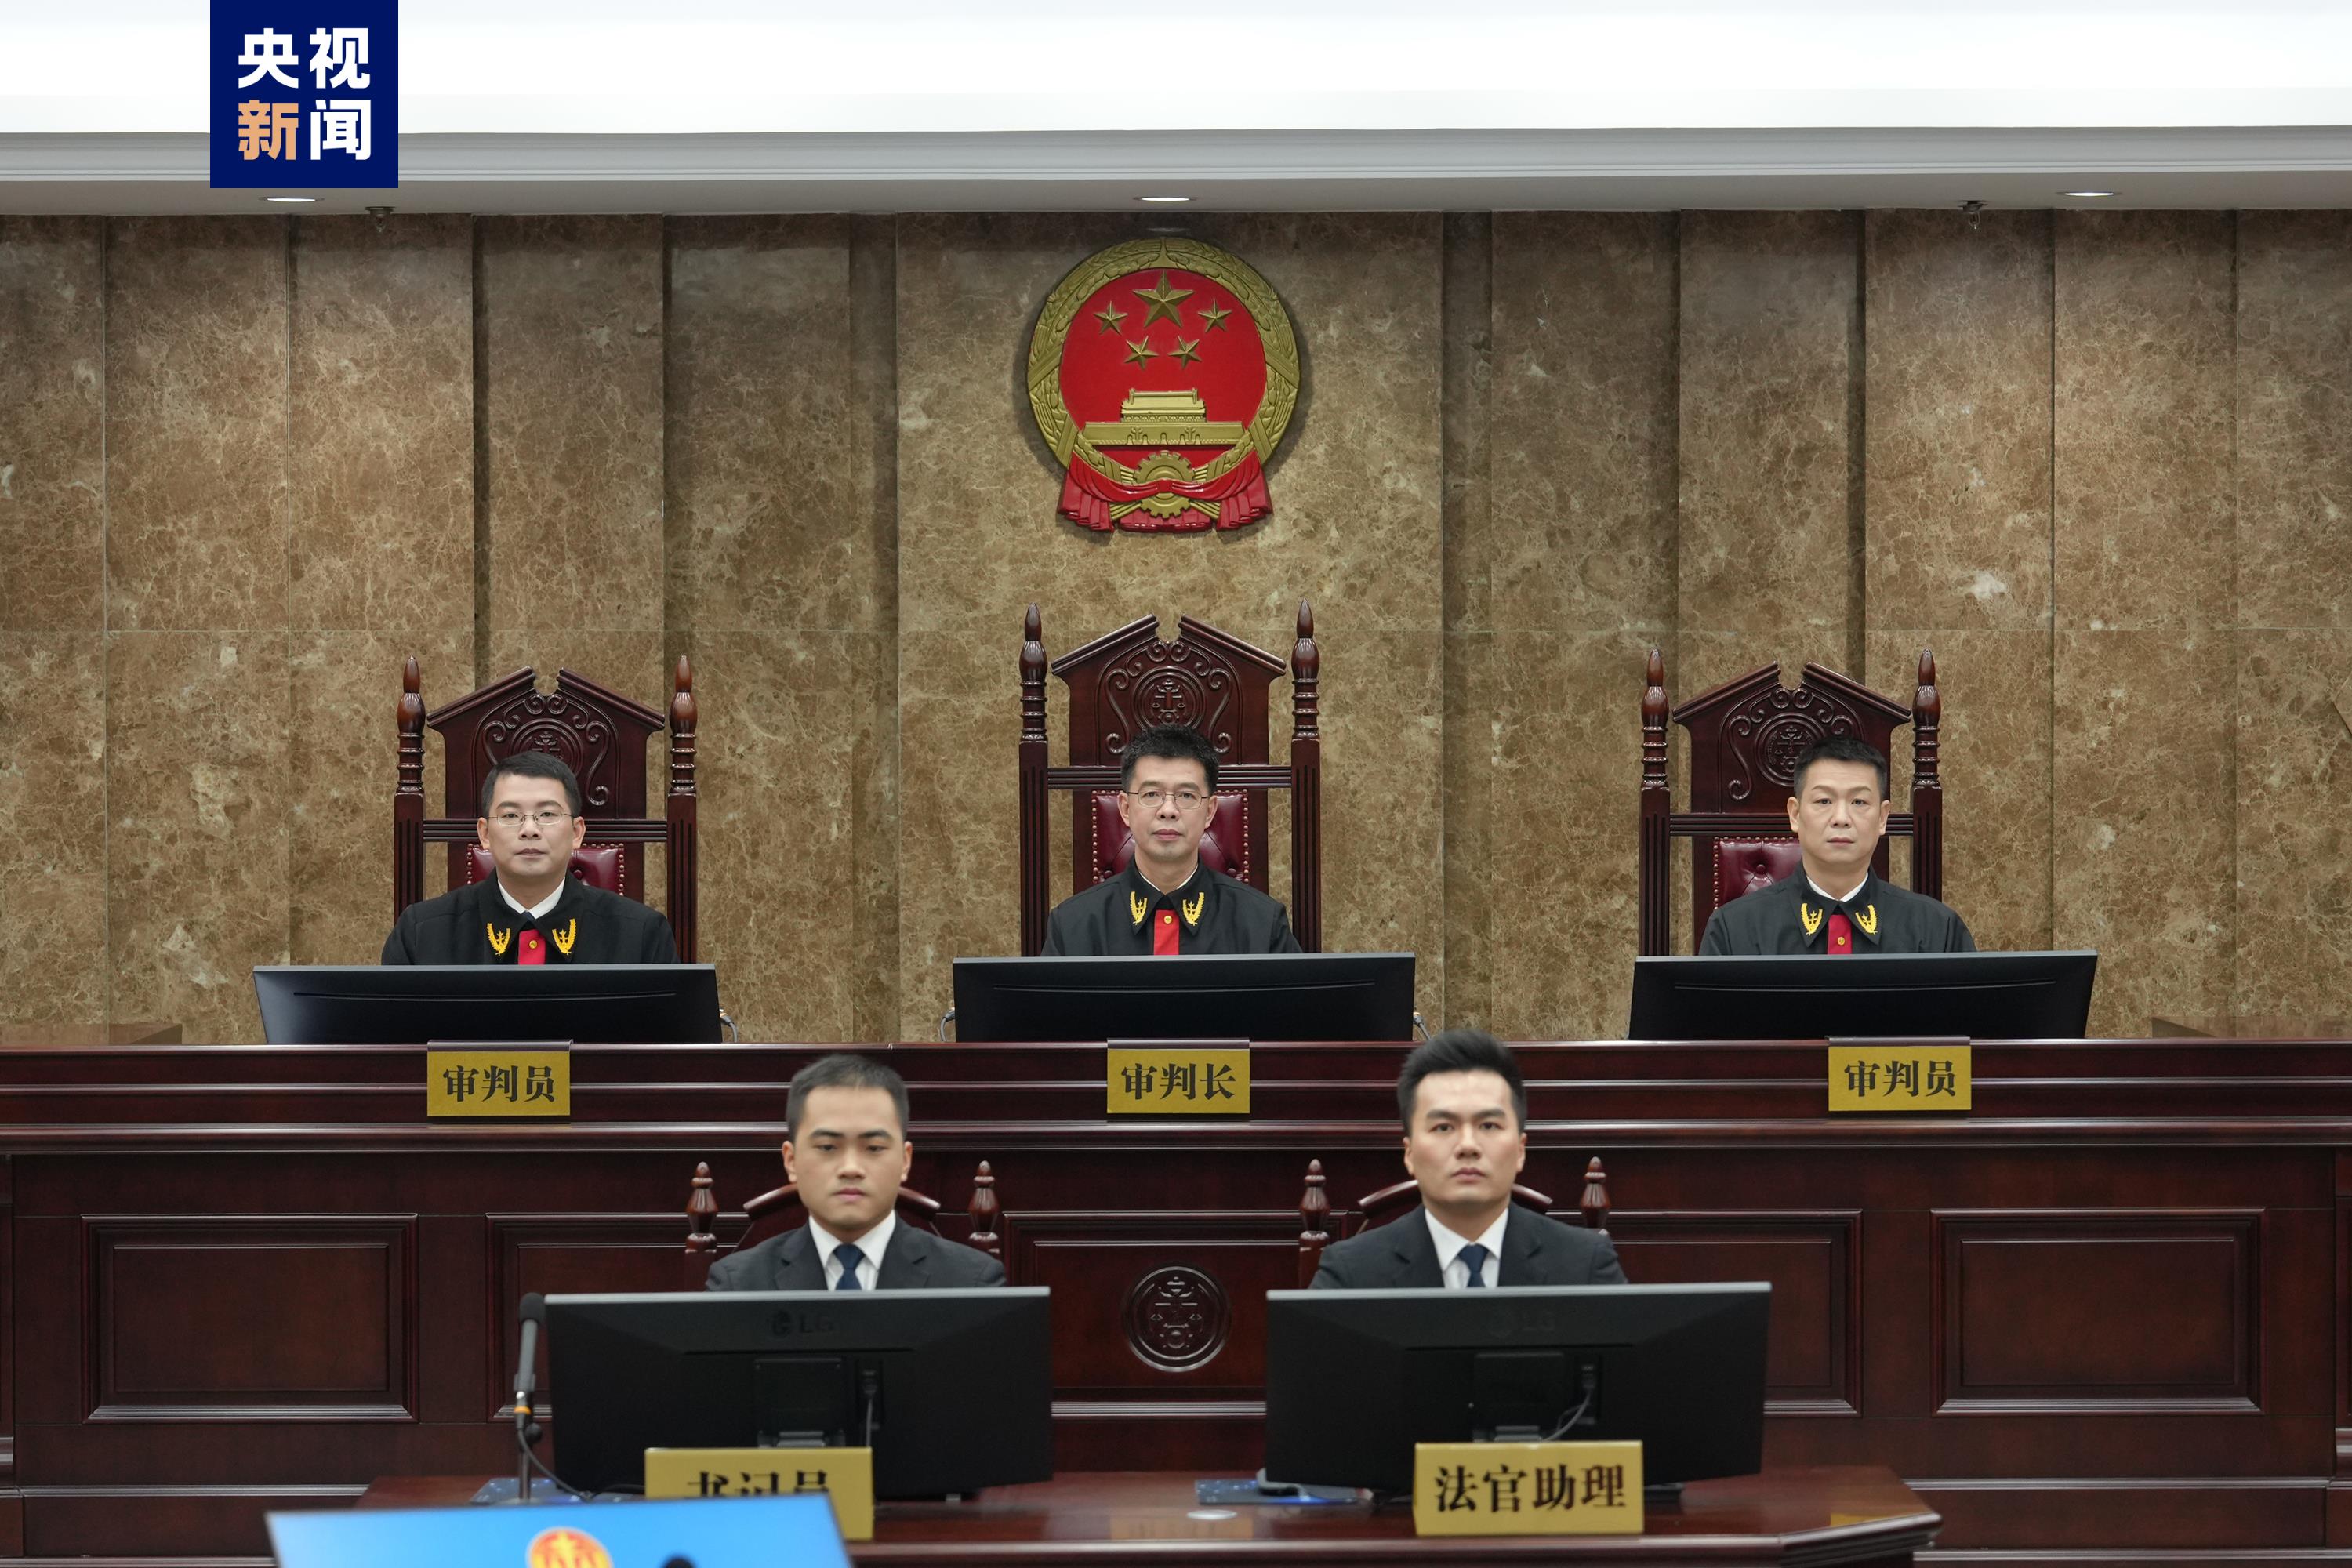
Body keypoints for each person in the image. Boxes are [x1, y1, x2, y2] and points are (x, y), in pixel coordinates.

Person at [1311, 1030, 1625, 1289]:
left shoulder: (1586, 1266)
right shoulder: (1350, 1274)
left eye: (1488, 1126)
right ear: (1410, 1154)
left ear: (1520, 1150)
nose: (1467, 1146)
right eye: (1443, 1127)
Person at [706, 1054, 1005, 1290]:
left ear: (905, 1161)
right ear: (791, 1161)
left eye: (873, 1148)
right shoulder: (738, 1285)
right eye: (827, 1147)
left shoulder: (971, 1282)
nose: (851, 1168)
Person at [381, 753, 677, 965]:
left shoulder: (642, 936)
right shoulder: (421, 934)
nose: (530, 830)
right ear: (484, 834)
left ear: (577, 832)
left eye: (547, 814)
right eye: (511, 815)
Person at [1698, 735, 1975, 956]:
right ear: (1795, 814)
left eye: (1859, 802)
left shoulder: (1938, 931)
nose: (1841, 818)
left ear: (1882, 818)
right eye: (1824, 801)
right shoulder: (1733, 931)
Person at [1040, 724, 1302, 956]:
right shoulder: (1072, 927)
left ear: (1210, 811)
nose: (1168, 810)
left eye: (1186, 796)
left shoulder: (1263, 925)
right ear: (1126, 808)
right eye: (1151, 794)